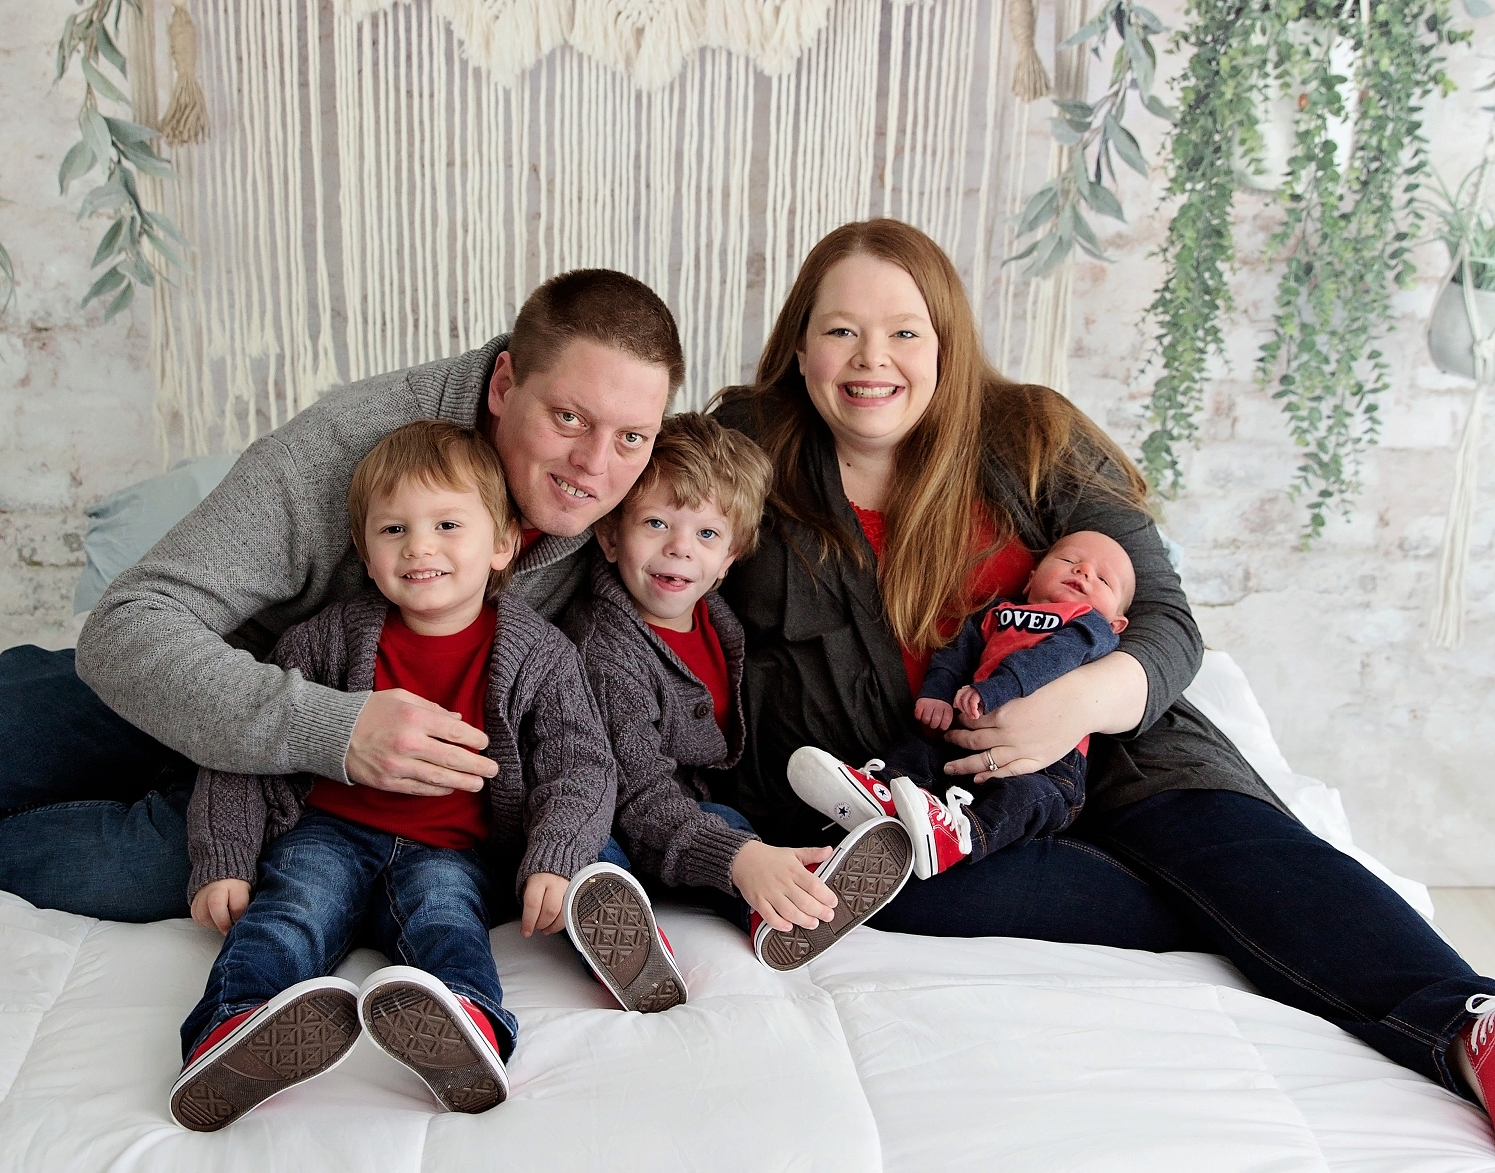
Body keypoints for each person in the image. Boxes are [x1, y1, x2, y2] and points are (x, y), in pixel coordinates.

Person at [710, 218, 1495, 1129]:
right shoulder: (745, 453)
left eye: (904, 331)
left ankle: (1470, 1023)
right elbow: (622, 521)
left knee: (1234, 848)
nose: (870, 357)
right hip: (933, 797)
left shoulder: (1031, 432)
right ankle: (1233, 910)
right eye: (841, 328)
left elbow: (1164, 615)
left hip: (1122, 750)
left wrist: (1072, 705)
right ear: (799, 345)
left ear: (947, 343)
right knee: (875, 882)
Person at [0, 269, 677, 922]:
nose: (593, 466)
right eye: (568, 417)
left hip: (292, 797)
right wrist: (330, 725)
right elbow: (126, 629)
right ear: (505, 383)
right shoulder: (348, 443)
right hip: (187, 680)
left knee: (155, 872)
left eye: (631, 437)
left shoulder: (629, 519)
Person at [171, 420, 617, 1131]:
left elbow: (581, 763)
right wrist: (222, 858)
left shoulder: (539, 652)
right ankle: (231, 1032)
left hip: (451, 852)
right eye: (393, 530)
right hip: (329, 832)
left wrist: (556, 857)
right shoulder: (323, 639)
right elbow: (242, 747)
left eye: (447, 523)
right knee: (289, 914)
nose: (420, 547)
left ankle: (469, 1028)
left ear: (502, 543)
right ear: (367, 555)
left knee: (446, 921)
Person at [562, 413, 912, 986]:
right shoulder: (606, 649)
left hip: (683, 811)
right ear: (608, 535)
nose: (679, 549)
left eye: (706, 534)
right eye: (655, 523)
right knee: (595, 863)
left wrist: (752, 856)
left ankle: (786, 913)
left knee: (741, 832)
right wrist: (737, 856)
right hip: (611, 809)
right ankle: (626, 945)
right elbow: (634, 793)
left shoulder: (718, 622)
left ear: (729, 560)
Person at [789, 530, 1134, 879]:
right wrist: (937, 694)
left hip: (1049, 762)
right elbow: (956, 654)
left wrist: (1000, 687)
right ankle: (884, 795)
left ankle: (960, 836)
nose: (1084, 572)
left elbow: (1056, 657)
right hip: (966, 730)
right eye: (1069, 561)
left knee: (1029, 798)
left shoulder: (1091, 625)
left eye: (1103, 579)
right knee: (918, 748)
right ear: (1030, 582)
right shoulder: (997, 613)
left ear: (1116, 623)